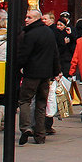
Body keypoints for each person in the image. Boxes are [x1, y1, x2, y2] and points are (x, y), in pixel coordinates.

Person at [16, 8, 59, 145]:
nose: (26, 19)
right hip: (45, 74)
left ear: (36, 18)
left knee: (25, 100)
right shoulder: (48, 32)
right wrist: (56, 71)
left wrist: (18, 67)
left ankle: (25, 127)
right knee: (41, 103)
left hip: (32, 73)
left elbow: (24, 55)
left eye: (29, 17)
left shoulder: (30, 34)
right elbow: (55, 53)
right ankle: (40, 134)